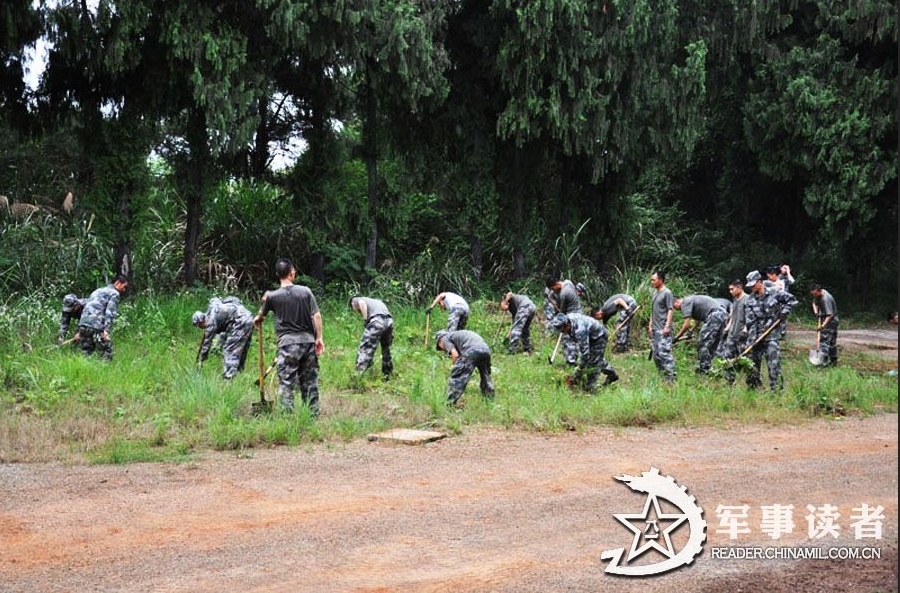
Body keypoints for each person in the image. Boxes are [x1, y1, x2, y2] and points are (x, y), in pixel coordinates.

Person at [254, 259, 324, 416]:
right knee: (310, 382)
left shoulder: (272, 296)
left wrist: (257, 319)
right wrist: (319, 338)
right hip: (307, 342)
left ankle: (287, 417)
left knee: (286, 382)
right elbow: (317, 316)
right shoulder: (306, 291)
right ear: (292, 273)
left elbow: (260, 315)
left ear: (277, 275)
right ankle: (312, 415)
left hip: (287, 345)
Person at [744, 270, 798, 391]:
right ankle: (754, 389)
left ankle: (777, 390)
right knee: (751, 363)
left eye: (753, 284)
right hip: (757, 336)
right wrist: (752, 341)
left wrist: (785, 311)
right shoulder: (749, 301)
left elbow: (792, 300)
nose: (752, 287)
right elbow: (750, 322)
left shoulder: (775, 293)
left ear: (760, 282)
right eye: (750, 285)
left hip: (772, 335)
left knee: (774, 364)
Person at [551, 312, 618, 392]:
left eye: (562, 330)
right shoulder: (568, 319)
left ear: (567, 325)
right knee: (596, 358)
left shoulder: (580, 330)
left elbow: (585, 354)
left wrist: (579, 370)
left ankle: (591, 386)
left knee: (593, 362)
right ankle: (612, 374)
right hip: (590, 335)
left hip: (599, 337)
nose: (562, 333)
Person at [191, 296, 254, 380]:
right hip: (249, 317)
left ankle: (229, 378)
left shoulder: (210, 322)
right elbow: (215, 299)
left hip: (240, 321)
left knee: (230, 350)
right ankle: (239, 373)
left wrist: (200, 360)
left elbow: (206, 345)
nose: (200, 328)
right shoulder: (213, 308)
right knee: (241, 348)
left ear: (200, 322)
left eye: (199, 326)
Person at [434, 329, 494, 406]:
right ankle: (489, 401)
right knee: (486, 377)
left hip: (472, 349)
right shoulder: (458, 335)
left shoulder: (445, 338)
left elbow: (455, 355)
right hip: (485, 349)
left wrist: (455, 368)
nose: (443, 350)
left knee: (457, 376)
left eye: (440, 348)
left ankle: (450, 403)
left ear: (440, 341)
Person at [76, 275, 128, 361]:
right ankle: (106, 369)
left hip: (83, 324)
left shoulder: (97, 291)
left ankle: (84, 370)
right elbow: (110, 312)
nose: (124, 290)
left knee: (86, 351)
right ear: (118, 283)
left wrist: (80, 328)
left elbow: (86, 306)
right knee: (107, 351)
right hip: (96, 325)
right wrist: (106, 330)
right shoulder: (114, 293)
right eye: (124, 286)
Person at [673, 295, 728, 375]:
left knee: (703, 344)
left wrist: (676, 338)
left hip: (714, 315)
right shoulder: (691, 300)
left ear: (676, 302)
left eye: (674, 307)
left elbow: (686, 325)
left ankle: (703, 370)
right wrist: (691, 331)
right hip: (723, 314)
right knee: (713, 346)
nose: (676, 309)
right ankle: (714, 369)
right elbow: (698, 320)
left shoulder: (685, 303)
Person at [349, 296, 394, 379]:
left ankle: (358, 375)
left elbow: (361, 304)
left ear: (352, 304)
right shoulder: (377, 300)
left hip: (377, 321)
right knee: (386, 349)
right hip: (389, 321)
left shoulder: (356, 300)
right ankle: (388, 374)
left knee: (365, 348)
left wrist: (366, 320)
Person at [716, 279, 750, 385]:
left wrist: (745, 330)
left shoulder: (747, 299)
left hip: (742, 335)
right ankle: (729, 380)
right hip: (732, 334)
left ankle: (752, 381)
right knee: (727, 358)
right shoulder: (735, 299)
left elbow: (750, 318)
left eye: (732, 289)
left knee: (745, 359)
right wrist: (727, 328)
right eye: (729, 289)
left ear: (739, 287)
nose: (730, 291)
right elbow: (733, 316)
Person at [546, 276, 583, 365]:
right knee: (576, 338)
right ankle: (576, 359)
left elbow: (562, 312)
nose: (553, 291)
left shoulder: (564, 294)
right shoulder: (568, 282)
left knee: (567, 338)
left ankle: (571, 361)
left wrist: (561, 323)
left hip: (572, 317)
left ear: (557, 284)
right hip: (579, 314)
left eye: (553, 288)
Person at [648, 271, 676, 382]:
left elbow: (670, 309)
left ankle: (671, 378)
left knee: (665, 354)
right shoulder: (655, 294)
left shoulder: (667, 293)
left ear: (660, 280)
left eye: (654, 280)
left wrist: (667, 326)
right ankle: (664, 378)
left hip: (663, 328)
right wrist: (650, 325)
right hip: (655, 329)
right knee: (656, 356)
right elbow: (653, 311)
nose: (652, 282)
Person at [810, 284, 839, 367]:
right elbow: (814, 303)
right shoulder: (818, 295)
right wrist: (816, 313)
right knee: (832, 342)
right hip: (827, 318)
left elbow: (830, 315)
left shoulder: (825, 299)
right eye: (813, 294)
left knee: (824, 341)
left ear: (820, 291)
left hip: (831, 321)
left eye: (815, 294)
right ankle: (833, 362)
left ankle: (823, 362)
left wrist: (822, 326)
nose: (814, 296)